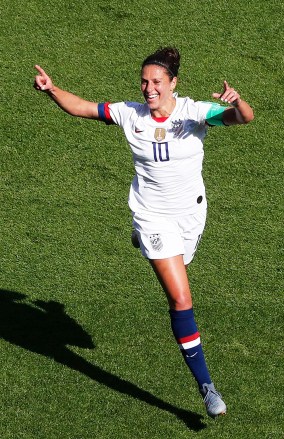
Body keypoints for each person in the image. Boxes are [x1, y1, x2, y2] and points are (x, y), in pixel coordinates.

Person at [34, 47, 254, 418]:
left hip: (190, 216)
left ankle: (150, 248)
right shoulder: (129, 113)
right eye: (144, 81)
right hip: (152, 217)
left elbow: (242, 118)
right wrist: (52, 89)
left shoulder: (194, 113)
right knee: (181, 299)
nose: (148, 88)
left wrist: (238, 101)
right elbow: (83, 108)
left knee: (180, 271)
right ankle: (206, 386)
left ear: (173, 83)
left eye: (156, 82)